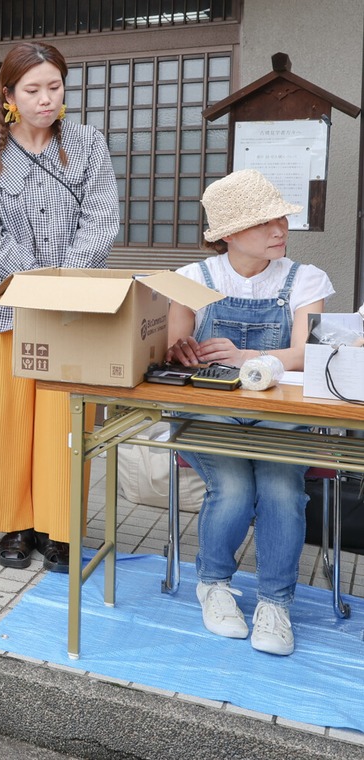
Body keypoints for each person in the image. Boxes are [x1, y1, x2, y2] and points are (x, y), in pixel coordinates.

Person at [0, 41, 119, 572]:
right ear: (8, 94)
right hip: (6, 312)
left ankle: (61, 528)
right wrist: (33, 283)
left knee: (64, 424)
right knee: (6, 422)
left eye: (54, 87)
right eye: (33, 90)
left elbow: (101, 221)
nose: (46, 99)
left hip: (72, 313)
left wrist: (61, 284)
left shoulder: (88, 144)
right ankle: (15, 524)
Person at [166, 169, 332, 656]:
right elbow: (176, 347)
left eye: (281, 218)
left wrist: (243, 357)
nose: (279, 228)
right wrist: (182, 351)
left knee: (282, 489)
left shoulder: (307, 279)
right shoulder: (191, 279)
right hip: (208, 410)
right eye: (264, 223)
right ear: (231, 234)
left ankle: (275, 604)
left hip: (281, 412)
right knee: (234, 487)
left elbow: (308, 352)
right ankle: (213, 585)